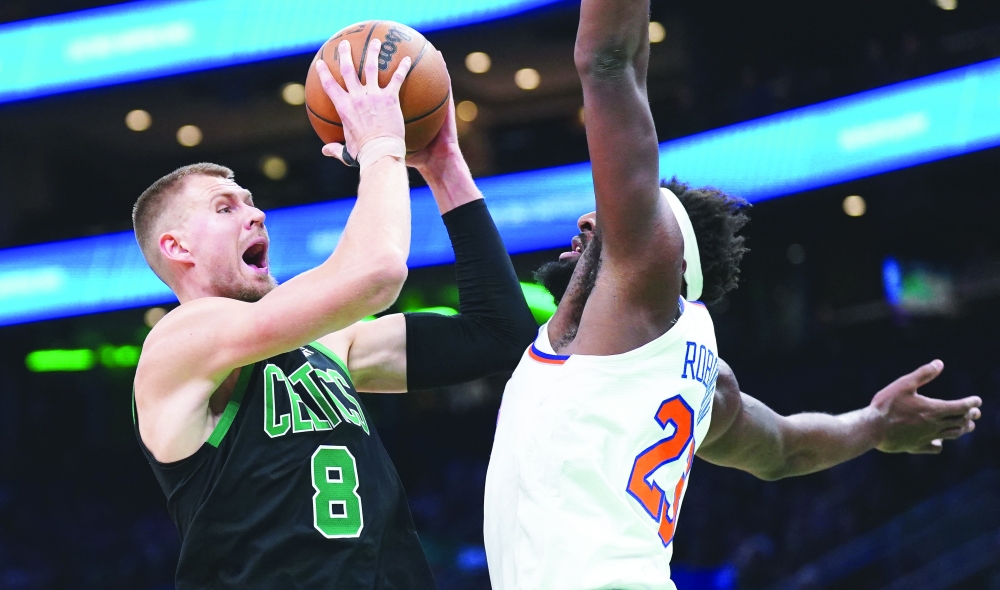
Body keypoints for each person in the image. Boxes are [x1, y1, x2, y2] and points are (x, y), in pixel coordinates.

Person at [481, 2, 983, 589]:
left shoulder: (644, 295)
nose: (589, 219)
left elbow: (610, 60)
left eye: (618, 220)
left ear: (663, 257)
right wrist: (872, 424)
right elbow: (786, 448)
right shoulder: (703, 380)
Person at [132, 38, 536, 589]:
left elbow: (500, 335)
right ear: (177, 248)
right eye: (225, 207)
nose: (255, 214)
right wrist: (381, 147)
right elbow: (376, 275)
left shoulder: (330, 344)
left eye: (251, 201)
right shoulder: (180, 341)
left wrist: (444, 168)